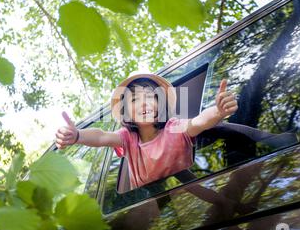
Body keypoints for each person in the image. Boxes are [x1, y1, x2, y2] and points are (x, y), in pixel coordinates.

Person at [55, 72, 238, 190]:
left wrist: (218, 111)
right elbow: (102, 136)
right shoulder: (128, 138)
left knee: (208, 196)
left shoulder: (174, 128)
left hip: (184, 191)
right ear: (126, 112)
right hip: (150, 204)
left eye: (151, 97)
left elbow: (198, 122)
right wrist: (78, 135)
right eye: (134, 100)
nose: (144, 103)